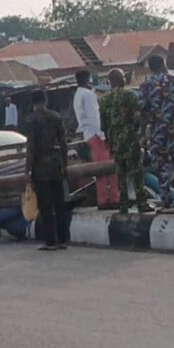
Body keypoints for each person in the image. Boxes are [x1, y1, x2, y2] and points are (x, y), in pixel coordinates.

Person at [138, 55, 174, 214]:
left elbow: (142, 111)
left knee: (162, 167)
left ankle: (167, 203)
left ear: (150, 68)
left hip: (158, 133)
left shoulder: (146, 86)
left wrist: (143, 134)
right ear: (163, 64)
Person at [99, 69, 153, 214]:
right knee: (136, 171)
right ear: (120, 79)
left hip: (115, 141)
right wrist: (141, 133)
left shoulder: (104, 100)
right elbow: (140, 115)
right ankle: (141, 202)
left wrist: (109, 141)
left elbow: (103, 125)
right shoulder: (130, 95)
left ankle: (123, 204)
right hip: (130, 139)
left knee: (120, 173)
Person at [25, 90, 69, 251]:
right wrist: (65, 164)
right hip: (57, 165)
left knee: (46, 206)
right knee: (59, 205)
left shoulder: (32, 120)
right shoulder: (56, 117)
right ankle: (63, 240)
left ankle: (50, 241)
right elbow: (64, 143)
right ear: (46, 100)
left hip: (41, 168)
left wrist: (27, 170)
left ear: (33, 102)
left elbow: (31, 148)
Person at [73, 69, 119, 208]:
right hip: (96, 134)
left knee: (100, 169)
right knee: (107, 168)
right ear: (88, 79)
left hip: (88, 134)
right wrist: (102, 135)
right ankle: (110, 199)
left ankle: (105, 198)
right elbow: (94, 116)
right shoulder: (88, 94)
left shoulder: (77, 94)